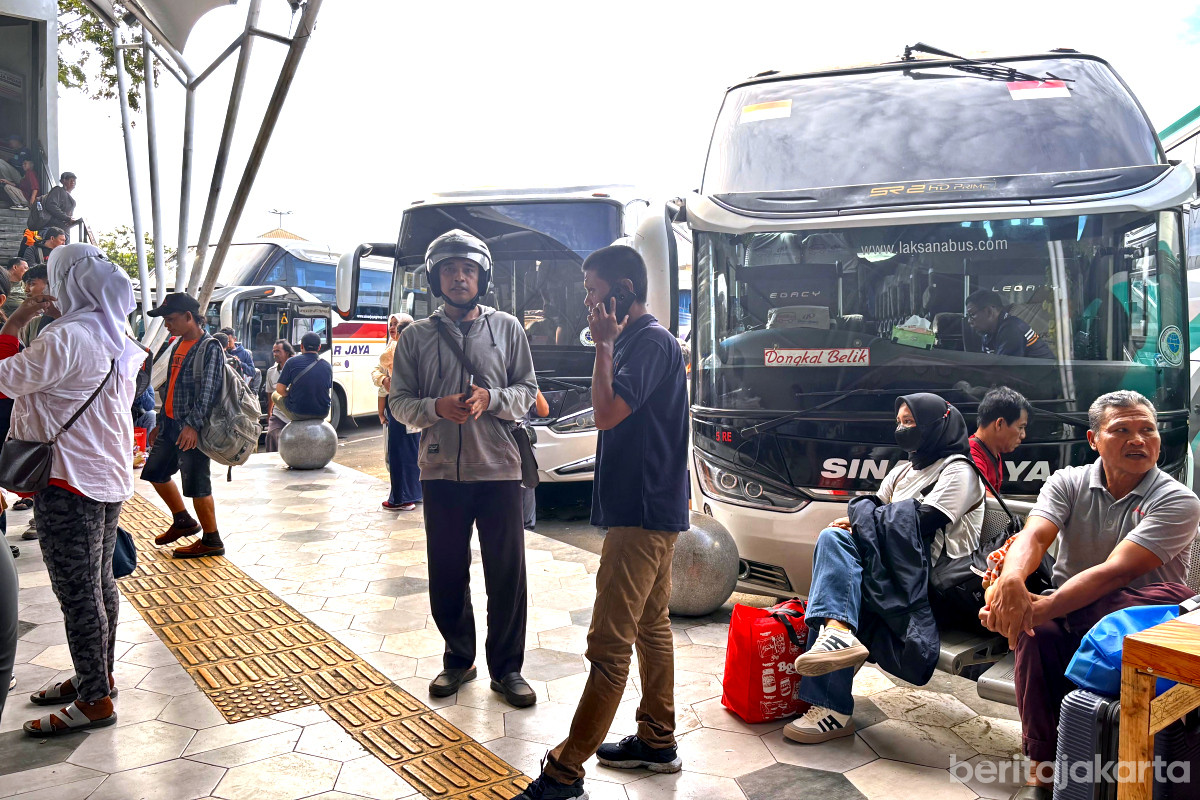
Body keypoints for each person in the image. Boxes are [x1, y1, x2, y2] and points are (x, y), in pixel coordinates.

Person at [518, 245, 690, 800]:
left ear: (623, 291)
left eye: (594, 291)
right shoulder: (645, 342)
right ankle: (657, 739)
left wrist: (605, 345)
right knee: (650, 624)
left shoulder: (647, 342)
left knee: (609, 646)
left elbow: (608, 412)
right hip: (649, 509)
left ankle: (564, 772)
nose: (588, 302)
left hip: (642, 516)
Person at [981, 390, 1200, 800]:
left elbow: (1116, 573)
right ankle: (1044, 774)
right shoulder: (1068, 481)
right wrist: (1010, 581)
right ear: (1093, 439)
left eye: (1147, 430)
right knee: (1036, 635)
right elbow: (1035, 535)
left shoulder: (1178, 499)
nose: (1139, 440)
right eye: (1122, 430)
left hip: (1148, 617)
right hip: (1075, 611)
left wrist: (1035, 608)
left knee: (1051, 618)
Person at [0, 243, 145, 735]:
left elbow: (5, 380)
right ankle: (95, 678)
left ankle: (95, 701)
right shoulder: (117, 337)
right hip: (105, 475)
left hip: (68, 479)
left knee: (78, 592)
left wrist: (13, 323)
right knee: (99, 584)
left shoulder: (66, 337)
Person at [390, 229, 538, 708]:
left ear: (482, 277)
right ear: (436, 277)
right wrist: (436, 407)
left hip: (499, 469)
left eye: (468, 269)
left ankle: (508, 669)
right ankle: (459, 659)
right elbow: (398, 403)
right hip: (440, 473)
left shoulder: (509, 328)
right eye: (451, 269)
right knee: (448, 570)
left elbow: (527, 392)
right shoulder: (415, 337)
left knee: (507, 574)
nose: (459, 277)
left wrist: (490, 399)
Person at [784, 393, 984, 745]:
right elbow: (876, 510)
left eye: (911, 422)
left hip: (930, 588)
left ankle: (832, 700)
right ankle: (837, 637)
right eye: (900, 422)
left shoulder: (960, 472)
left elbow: (919, 523)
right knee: (834, 547)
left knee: (839, 573)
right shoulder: (905, 468)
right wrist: (864, 516)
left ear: (937, 424)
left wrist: (862, 516)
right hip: (895, 571)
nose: (903, 429)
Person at [140, 292, 227, 559]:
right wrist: (161, 421)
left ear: (189, 317)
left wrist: (193, 426)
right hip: (170, 425)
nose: (167, 325)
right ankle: (183, 521)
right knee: (154, 472)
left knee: (197, 483)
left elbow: (209, 390)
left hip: (192, 428)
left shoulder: (209, 346)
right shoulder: (178, 344)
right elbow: (173, 386)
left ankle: (212, 540)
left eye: (171, 319)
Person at [376, 313, 421, 511]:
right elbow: (378, 372)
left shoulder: (398, 347)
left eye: (397, 326)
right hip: (414, 405)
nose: (392, 329)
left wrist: (382, 378)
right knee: (411, 449)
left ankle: (402, 498)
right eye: (391, 324)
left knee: (400, 450)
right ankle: (414, 493)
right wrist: (382, 379)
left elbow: (381, 364)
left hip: (401, 404)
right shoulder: (419, 347)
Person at [970, 386, 1032, 493]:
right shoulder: (972, 457)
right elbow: (980, 497)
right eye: (1020, 427)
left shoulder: (992, 452)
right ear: (999, 424)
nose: (1023, 435)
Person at [965, 290, 1053, 359]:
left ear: (989, 311)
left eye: (972, 315)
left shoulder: (1012, 329)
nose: (969, 321)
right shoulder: (989, 332)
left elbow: (1003, 371)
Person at [273, 332, 332, 422]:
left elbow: (280, 389)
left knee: (274, 395)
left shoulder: (291, 362)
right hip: (322, 413)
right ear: (319, 347)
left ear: (301, 346)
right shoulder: (328, 366)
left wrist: (290, 394)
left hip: (298, 412)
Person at [522, 390, 549, 530]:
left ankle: (528, 527)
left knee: (528, 482)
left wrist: (534, 386)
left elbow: (544, 411)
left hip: (522, 438)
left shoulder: (524, 384)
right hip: (497, 438)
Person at [264, 339, 294, 452]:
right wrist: (269, 413)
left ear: (287, 352)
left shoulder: (296, 368)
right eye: (274, 351)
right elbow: (271, 394)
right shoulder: (271, 372)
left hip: (295, 413)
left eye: (278, 351)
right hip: (279, 414)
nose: (275, 354)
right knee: (272, 435)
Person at [40, 173, 77, 240]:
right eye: (70, 180)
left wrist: (69, 220)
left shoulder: (69, 196)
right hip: (52, 230)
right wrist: (67, 218)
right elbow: (51, 205)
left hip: (63, 231)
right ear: (63, 181)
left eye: (74, 180)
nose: (73, 182)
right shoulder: (58, 190)